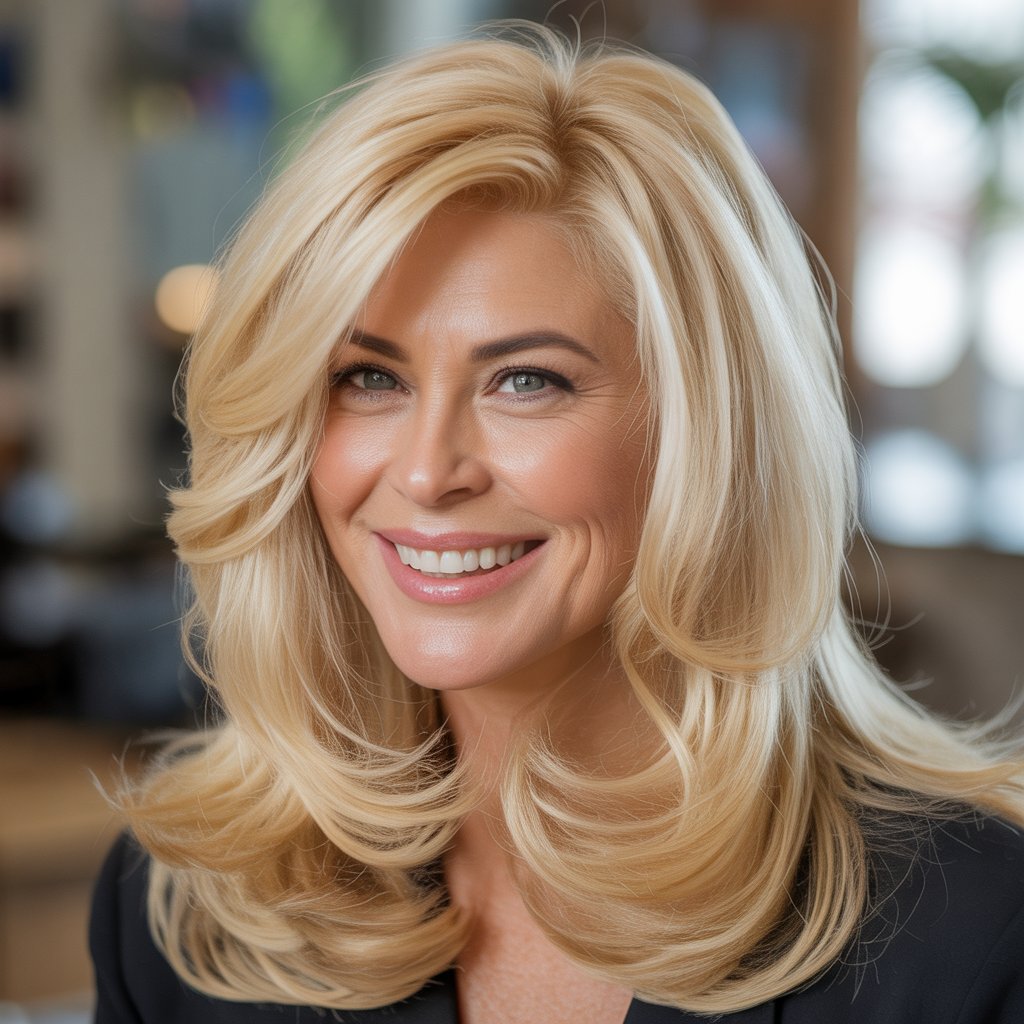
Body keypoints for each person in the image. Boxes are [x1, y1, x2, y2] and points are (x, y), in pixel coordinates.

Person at [90, 23, 1024, 1024]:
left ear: (703, 429)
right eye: (368, 378)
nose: (424, 469)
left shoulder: (975, 931)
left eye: (525, 380)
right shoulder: (181, 908)